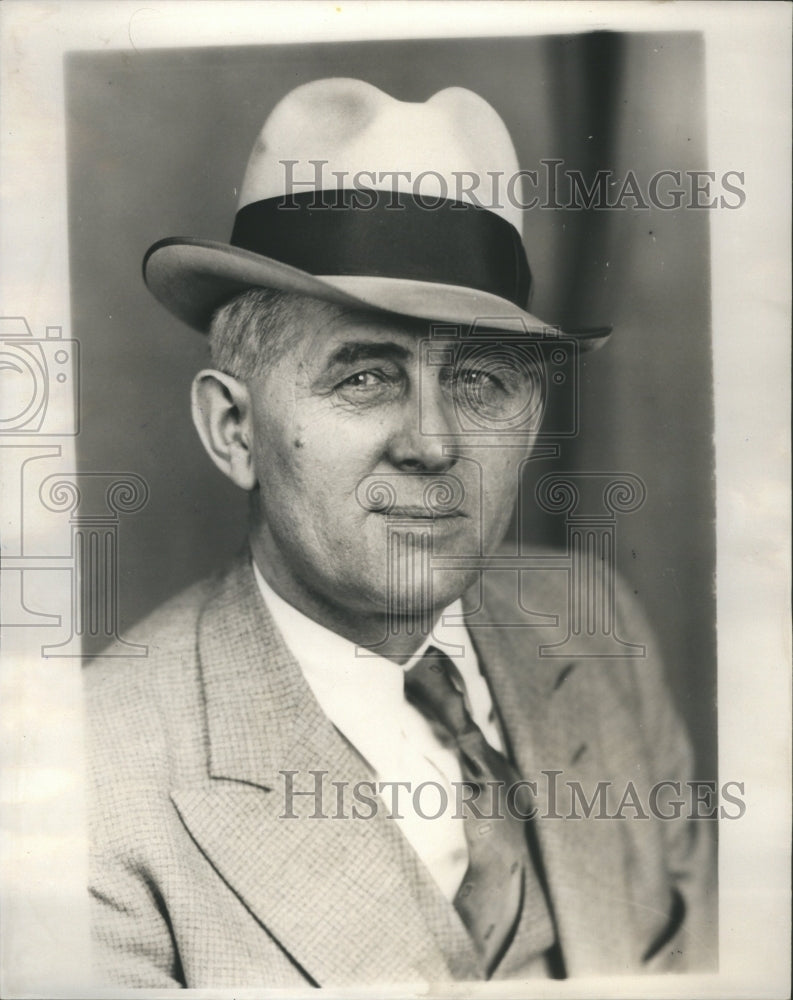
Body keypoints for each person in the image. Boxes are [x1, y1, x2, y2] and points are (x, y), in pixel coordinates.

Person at [84, 78, 715, 988]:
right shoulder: (93, 783)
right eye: (364, 377)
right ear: (235, 431)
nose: (431, 443)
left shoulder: (595, 626)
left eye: (482, 381)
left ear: (533, 420)